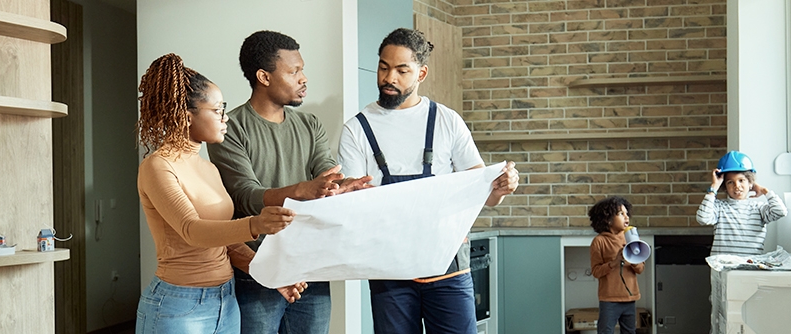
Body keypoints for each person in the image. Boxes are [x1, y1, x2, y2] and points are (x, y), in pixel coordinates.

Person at [338, 28, 520, 334]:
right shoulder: (357, 129)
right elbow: (355, 203)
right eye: (383, 67)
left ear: (421, 73)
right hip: (389, 268)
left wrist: (500, 187)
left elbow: (483, 193)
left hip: (447, 265)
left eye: (401, 70)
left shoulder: (447, 121)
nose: (389, 78)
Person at [207, 30, 372, 334]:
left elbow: (326, 174)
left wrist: (342, 186)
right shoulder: (229, 128)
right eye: (294, 71)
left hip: (310, 266)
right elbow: (245, 195)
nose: (303, 78)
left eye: (302, 69)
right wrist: (302, 190)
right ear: (264, 77)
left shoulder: (310, 124)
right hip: (257, 268)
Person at [134, 53, 301, 333]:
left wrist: (269, 274)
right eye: (217, 110)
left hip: (225, 301)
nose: (226, 118)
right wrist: (256, 224)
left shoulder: (209, 169)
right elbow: (192, 230)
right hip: (178, 307)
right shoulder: (158, 166)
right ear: (186, 116)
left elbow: (226, 242)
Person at [696, 150, 788, 256]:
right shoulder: (718, 207)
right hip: (722, 267)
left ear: (751, 183)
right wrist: (713, 188)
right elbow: (702, 218)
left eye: (741, 180)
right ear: (724, 186)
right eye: (730, 182)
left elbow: (781, 211)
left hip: (749, 267)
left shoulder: (759, 208)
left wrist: (764, 191)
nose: (737, 186)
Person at [588, 196, 644, 334]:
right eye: (621, 214)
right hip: (609, 300)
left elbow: (641, 269)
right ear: (607, 219)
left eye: (627, 213)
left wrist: (633, 262)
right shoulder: (599, 242)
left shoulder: (631, 238)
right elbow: (596, 271)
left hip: (630, 299)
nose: (626, 217)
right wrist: (614, 262)